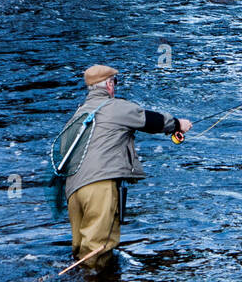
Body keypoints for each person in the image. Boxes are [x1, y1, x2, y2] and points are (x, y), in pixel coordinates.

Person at [61, 64, 191, 271]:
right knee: (99, 248)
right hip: (99, 186)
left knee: (80, 249)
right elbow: (149, 120)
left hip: (73, 190)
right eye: (115, 82)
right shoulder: (114, 107)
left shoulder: (77, 115)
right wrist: (177, 124)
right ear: (110, 85)